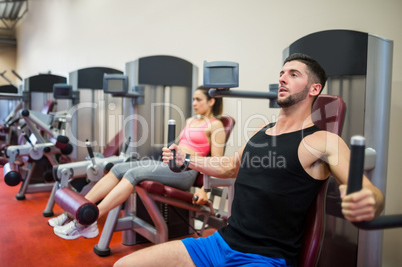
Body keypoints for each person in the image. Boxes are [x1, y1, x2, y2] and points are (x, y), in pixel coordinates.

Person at [113, 53, 385, 267]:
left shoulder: (322, 141)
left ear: (314, 88)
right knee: (125, 264)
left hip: (263, 258)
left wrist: (369, 200)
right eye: (281, 73)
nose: (282, 78)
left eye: (293, 74)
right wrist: (187, 159)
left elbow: (366, 189)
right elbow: (230, 165)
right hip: (219, 243)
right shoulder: (261, 131)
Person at [48, 86, 226, 240]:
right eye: (193, 99)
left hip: (187, 171)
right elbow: (178, 146)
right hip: (170, 165)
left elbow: (216, 162)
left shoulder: (215, 125)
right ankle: (73, 213)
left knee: (133, 174)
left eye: (198, 99)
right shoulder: (190, 121)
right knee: (117, 168)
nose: (194, 103)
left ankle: (88, 220)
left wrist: (205, 189)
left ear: (211, 102)